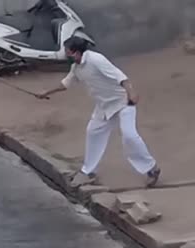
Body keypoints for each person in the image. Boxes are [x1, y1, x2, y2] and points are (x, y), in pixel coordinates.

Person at [39, 36, 161, 188]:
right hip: (103, 106)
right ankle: (88, 171)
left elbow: (121, 77)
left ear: (78, 52)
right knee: (93, 132)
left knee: (129, 135)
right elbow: (66, 83)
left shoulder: (96, 60)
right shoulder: (76, 68)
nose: (66, 55)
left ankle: (151, 169)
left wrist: (131, 92)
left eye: (68, 52)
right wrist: (47, 92)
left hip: (122, 102)